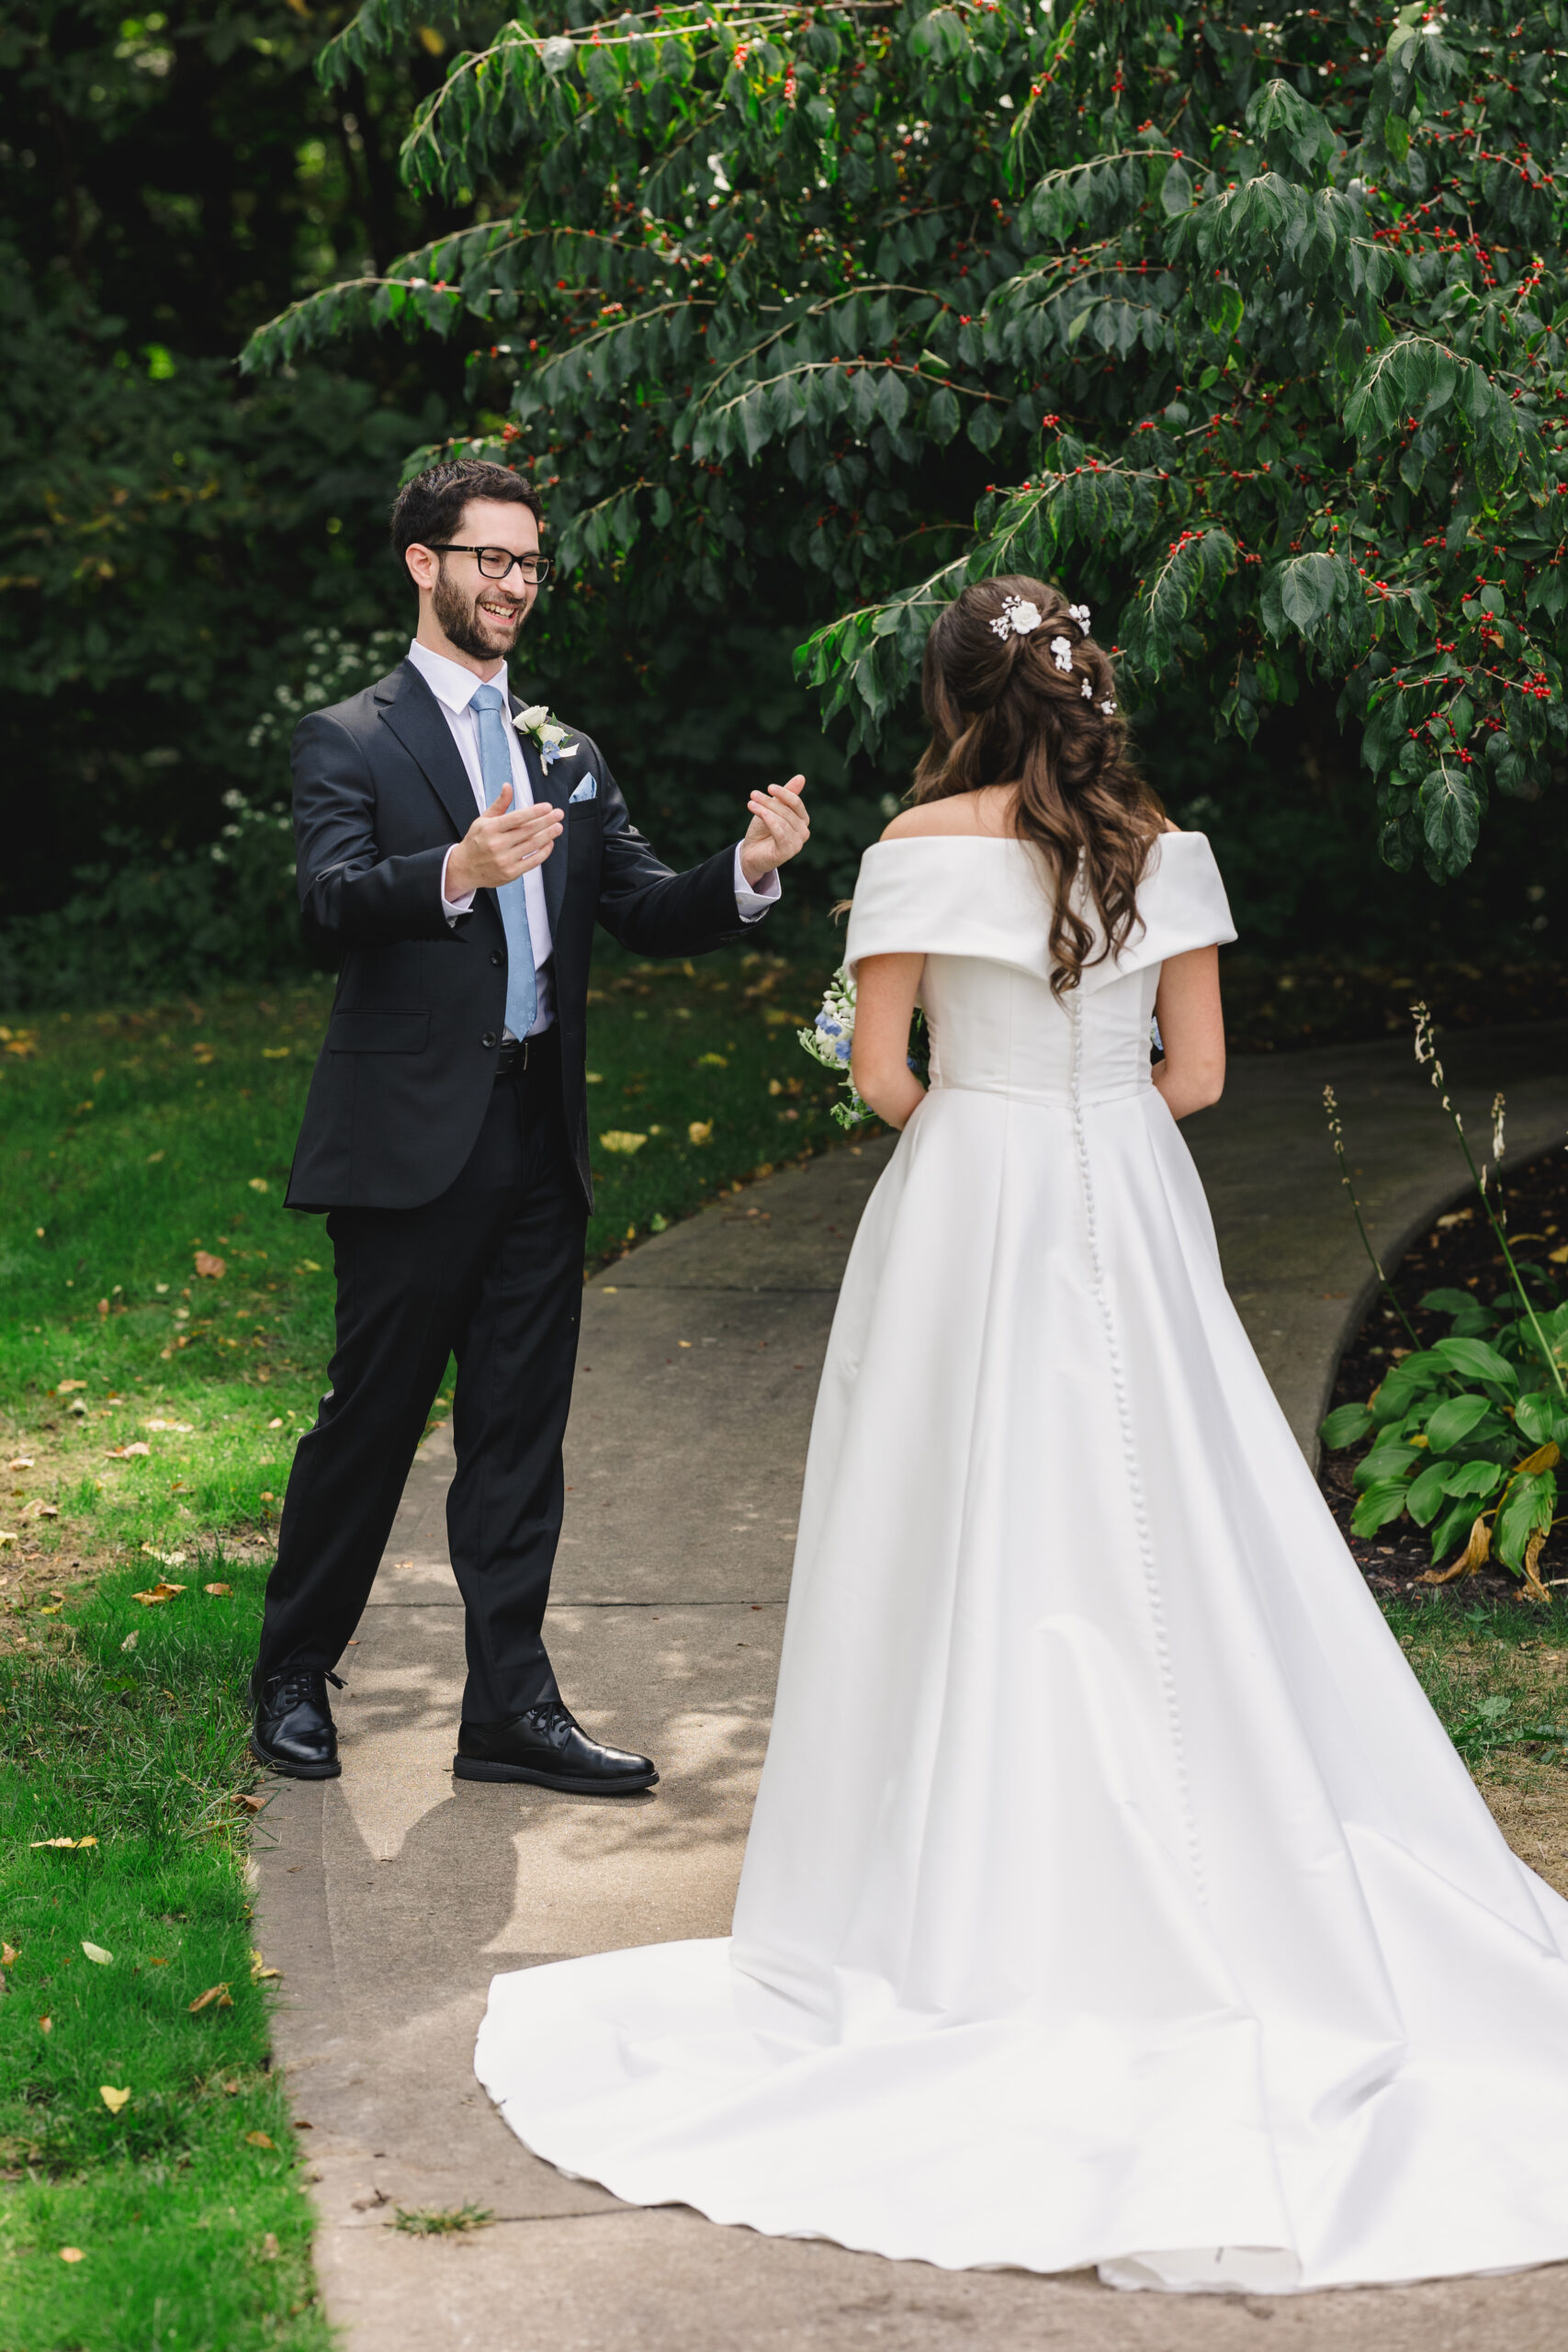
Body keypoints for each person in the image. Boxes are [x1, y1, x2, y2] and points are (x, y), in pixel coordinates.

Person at [471, 576, 1568, 2292]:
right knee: (1181, 1513)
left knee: (955, 1520)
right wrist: (1085, 1116)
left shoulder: (915, 846)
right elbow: (1196, 1084)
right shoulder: (1170, 848)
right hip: (1125, 1189)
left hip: (971, 1199)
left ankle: (951, 1885)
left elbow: (880, 1073)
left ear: (954, 697)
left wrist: (988, 1121)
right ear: (1080, 692)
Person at [250, 458, 810, 1792]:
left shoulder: (565, 750)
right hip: (406, 1145)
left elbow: (642, 908)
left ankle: (508, 1709)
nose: (510, 584)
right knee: (370, 1424)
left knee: (517, 1436)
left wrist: (745, 873)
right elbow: (324, 904)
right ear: (423, 564)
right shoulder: (352, 737)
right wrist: (454, 869)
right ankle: (291, 1671)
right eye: (487, 558)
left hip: (535, 1140)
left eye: (527, 564)